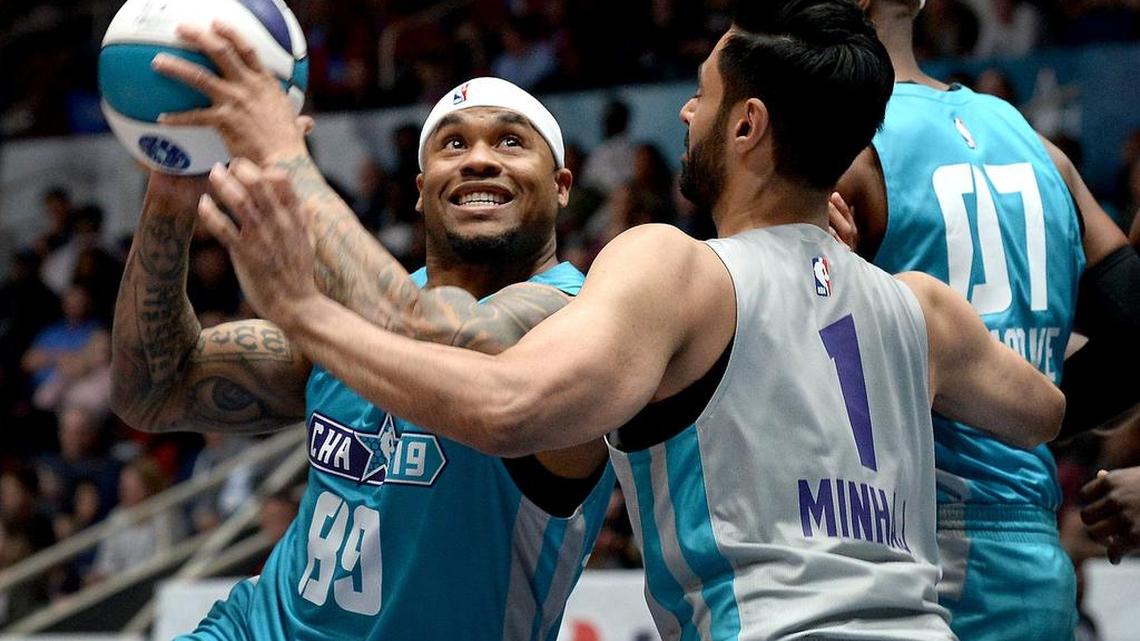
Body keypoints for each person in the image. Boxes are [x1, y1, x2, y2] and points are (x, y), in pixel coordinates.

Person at [198, 2, 1065, 639]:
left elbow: (501, 407)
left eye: (701, 96)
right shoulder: (919, 305)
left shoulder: (674, 267)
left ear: (747, 126)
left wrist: (304, 297)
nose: (687, 113)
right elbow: (1043, 415)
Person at [113, 61, 613, 639]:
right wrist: (171, 196)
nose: (478, 158)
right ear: (422, 193)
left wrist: (284, 156)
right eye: (453, 143)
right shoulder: (344, 318)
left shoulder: (580, 319)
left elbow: (449, 335)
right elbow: (152, 391)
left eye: (510, 140)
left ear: (561, 186)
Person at [831, 1, 1140, 638]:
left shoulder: (837, 148)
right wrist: (1029, 409)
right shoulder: (1035, 144)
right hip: (1029, 552)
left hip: (905, 550)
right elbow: (1136, 338)